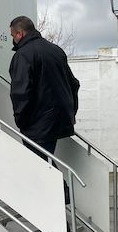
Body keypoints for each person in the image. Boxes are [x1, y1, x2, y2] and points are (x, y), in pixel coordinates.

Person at [8, 15, 80, 160]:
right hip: (60, 119)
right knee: (43, 162)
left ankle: (62, 184)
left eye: (12, 35)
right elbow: (74, 84)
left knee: (37, 165)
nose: (12, 39)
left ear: (20, 33)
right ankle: (62, 183)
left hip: (37, 125)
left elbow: (21, 93)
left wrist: (20, 121)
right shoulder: (56, 50)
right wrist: (71, 113)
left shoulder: (23, 55)